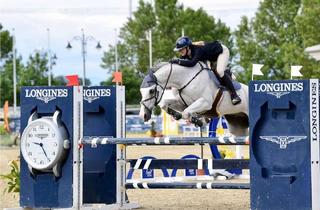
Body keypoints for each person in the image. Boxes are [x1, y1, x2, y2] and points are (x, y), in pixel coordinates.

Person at [170, 36, 241, 105]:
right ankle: (227, 73)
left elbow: (192, 63)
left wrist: (178, 61)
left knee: (219, 71)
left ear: (187, 47)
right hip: (210, 57)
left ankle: (234, 95)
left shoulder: (197, 50)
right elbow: (184, 65)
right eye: (179, 50)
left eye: (181, 49)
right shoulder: (186, 53)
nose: (180, 52)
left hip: (221, 52)